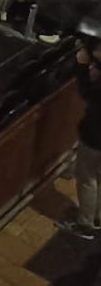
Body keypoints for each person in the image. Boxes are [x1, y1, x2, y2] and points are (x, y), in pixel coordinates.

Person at [73, 39, 101, 236]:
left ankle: (85, 224)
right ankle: (97, 216)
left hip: (95, 135)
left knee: (87, 178)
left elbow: (86, 92)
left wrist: (82, 66)